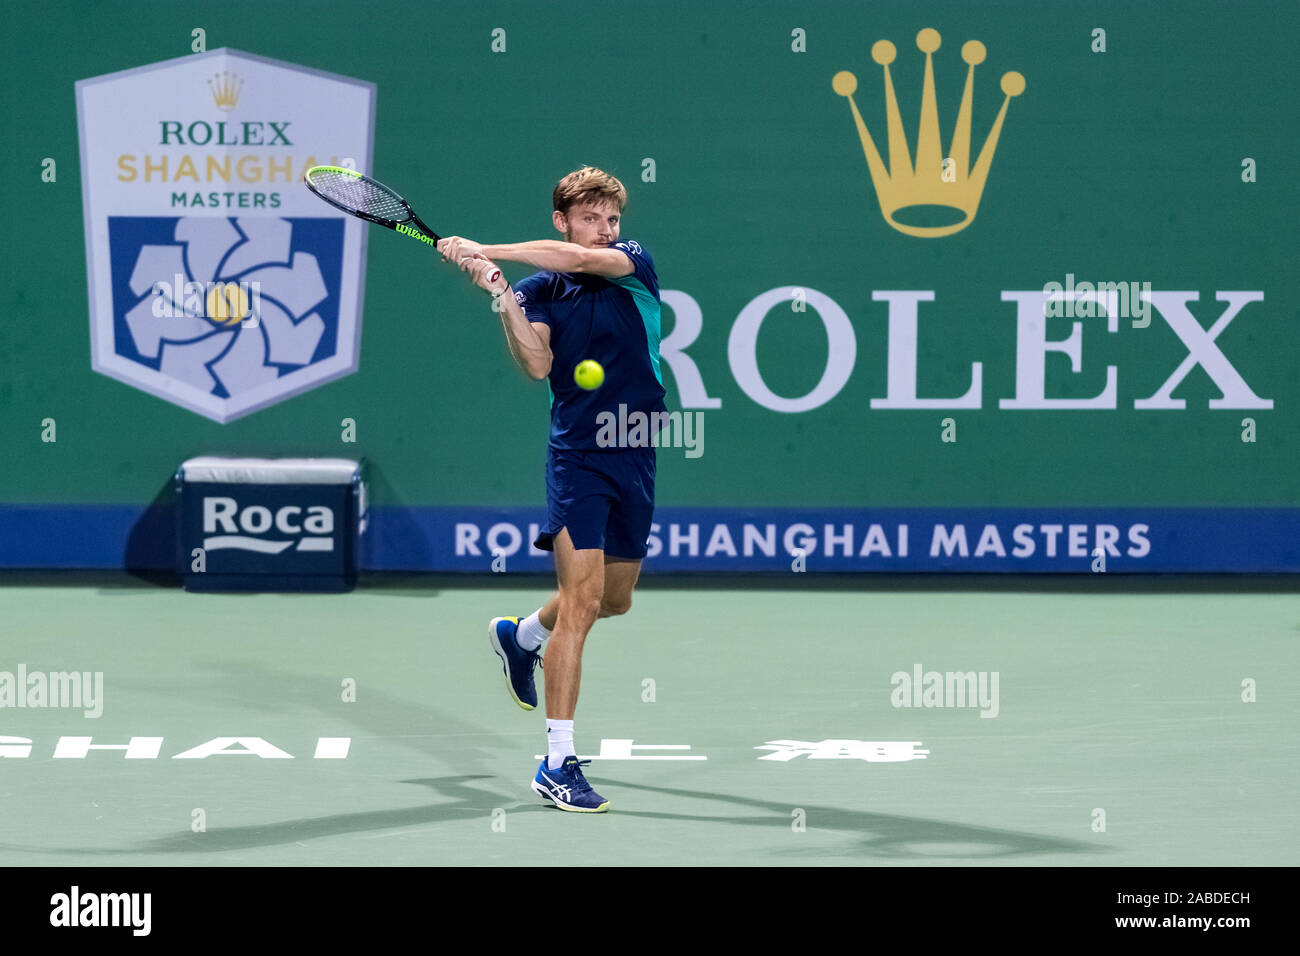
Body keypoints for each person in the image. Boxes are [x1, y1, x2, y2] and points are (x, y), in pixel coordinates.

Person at [437, 166, 664, 813]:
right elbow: (537, 364)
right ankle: (557, 762)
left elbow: (580, 259)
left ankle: (523, 637)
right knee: (584, 601)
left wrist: (488, 248)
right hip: (579, 459)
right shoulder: (542, 292)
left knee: (615, 599)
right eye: (591, 218)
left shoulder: (633, 263)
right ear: (562, 217)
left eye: (612, 219)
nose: (605, 231)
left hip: (637, 449)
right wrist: (500, 290)